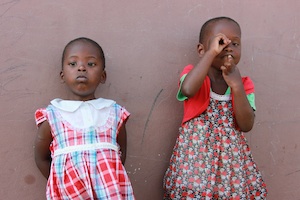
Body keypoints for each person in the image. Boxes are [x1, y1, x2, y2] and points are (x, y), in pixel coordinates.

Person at [163, 17, 267, 199]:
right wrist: (210, 54)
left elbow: (246, 124)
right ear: (201, 49)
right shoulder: (194, 76)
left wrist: (236, 86)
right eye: (220, 42)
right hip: (195, 160)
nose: (228, 47)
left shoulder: (244, 84)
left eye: (235, 43)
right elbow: (187, 90)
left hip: (230, 164)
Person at [34, 37, 135, 200]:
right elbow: (41, 158)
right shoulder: (53, 115)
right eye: (73, 64)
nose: (81, 68)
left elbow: (119, 154)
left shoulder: (114, 112)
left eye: (91, 64)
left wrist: (105, 179)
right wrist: (60, 182)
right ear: (62, 75)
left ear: (103, 76)